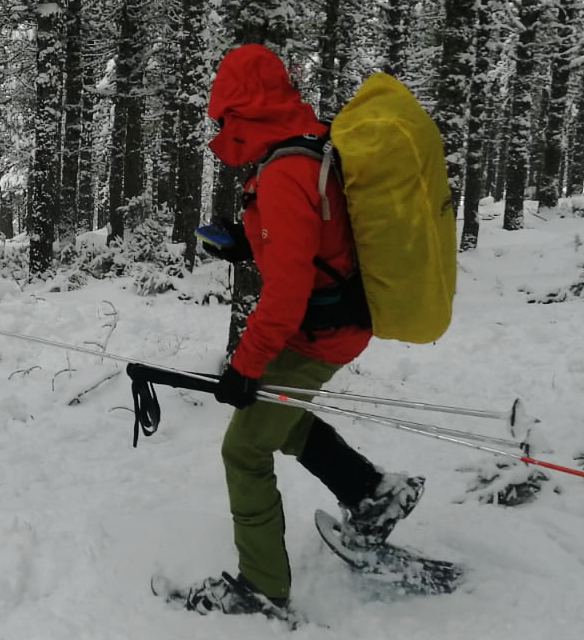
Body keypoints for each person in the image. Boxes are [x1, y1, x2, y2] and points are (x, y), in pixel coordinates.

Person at [170, 43, 426, 617]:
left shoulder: (285, 170)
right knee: (277, 422)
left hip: (320, 331)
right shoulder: (304, 149)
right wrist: (245, 242)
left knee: (243, 448)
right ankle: (372, 494)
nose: (220, 128)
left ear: (241, 109)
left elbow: (286, 297)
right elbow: (309, 245)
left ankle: (261, 588)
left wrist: (244, 367)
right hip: (334, 321)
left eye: (223, 116)